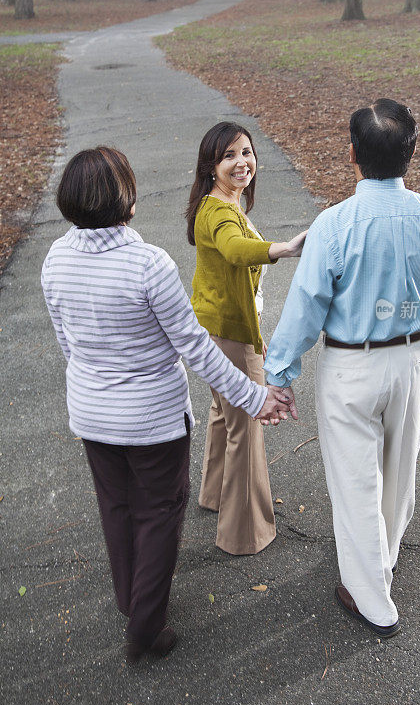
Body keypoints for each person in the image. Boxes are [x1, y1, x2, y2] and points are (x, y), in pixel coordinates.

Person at [41, 146, 293, 663]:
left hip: (92, 414)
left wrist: (95, 382)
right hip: (153, 419)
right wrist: (254, 396)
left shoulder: (55, 259)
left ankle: (131, 600)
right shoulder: (148, 264)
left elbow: (68, 343)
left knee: (116, 508)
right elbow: (195, 347)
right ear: (127, 200)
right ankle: (145, 627)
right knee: (157, 514)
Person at [264, 99, 420, 638]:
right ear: (412, 152)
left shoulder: (334, 225)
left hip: (351, 366)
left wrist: (279, 374)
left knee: (355, 482)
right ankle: (384, 558)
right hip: (413, 359)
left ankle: (371, 595)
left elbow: (306, 305)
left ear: (351, 153)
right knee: (399, 472)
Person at [186, 122, 307, 555]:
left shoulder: (222, 203)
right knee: (247, 427)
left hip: (215, 328)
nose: (242, 163)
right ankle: (244, 534)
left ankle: (216, 495)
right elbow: (237, 251)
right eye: (230, 156)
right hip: (230, 335)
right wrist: (285, 248)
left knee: (225, 413)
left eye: (247, 152)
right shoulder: (218, 212)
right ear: (211, 165)